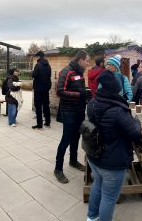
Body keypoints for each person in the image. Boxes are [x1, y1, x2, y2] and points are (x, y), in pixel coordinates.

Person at [85, 69, 142, 221]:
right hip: (112, 161)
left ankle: (91, 217)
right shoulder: (118, 109)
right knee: (109, 197)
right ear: (116, 88)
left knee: (97, 184)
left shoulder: (92, 103)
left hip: (94, 156)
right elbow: (135, 133)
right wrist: (136, 120)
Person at [54, 50, 91, 183]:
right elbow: (60, 92)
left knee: (76, 136)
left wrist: (86, 92)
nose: (88, 63)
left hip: (79, 110)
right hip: (69, 111)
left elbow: (77, 89)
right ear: (80, 60)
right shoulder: (67, 71)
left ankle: (73, 161)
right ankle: (58, 169)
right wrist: (79, 95)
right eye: (87, 60)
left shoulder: (80, 73)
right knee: (66, 139)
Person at [31, 51, 52, 129]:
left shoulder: (38, 65)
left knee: (38, 106)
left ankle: (39, 125)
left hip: (38, 89)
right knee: (46, 105)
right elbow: (49, 76)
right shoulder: (48, 66)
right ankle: (47, 123)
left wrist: (32, 72)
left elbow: (34, 75)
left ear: (39, 57)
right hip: (46, 89)